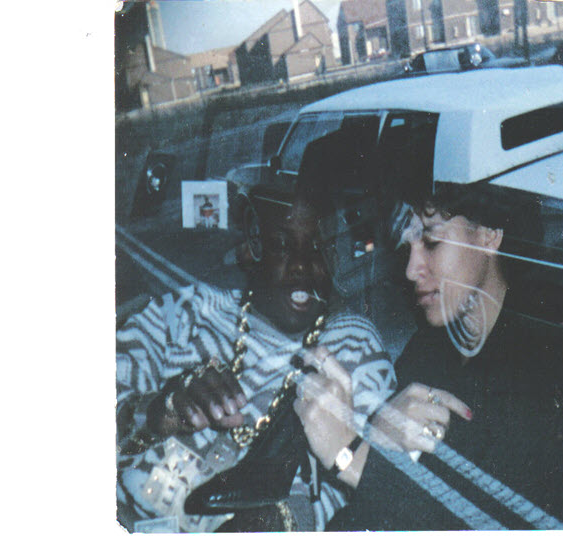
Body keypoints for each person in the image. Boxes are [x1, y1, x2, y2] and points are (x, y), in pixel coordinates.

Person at [294, 182, 563, 530]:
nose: (411, 269)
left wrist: (350, 457)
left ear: (489, 235)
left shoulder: (558, 343)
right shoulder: (431, 350)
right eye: (407, 247)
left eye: (431, 242)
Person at [116, 185, 396, 533]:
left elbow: (365, 485)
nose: (301, 265)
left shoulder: (351, 344)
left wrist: (278, 521)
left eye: (318, 247)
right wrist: (160, 412)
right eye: (282, 245)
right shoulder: (187, 310)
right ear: (251, 248)